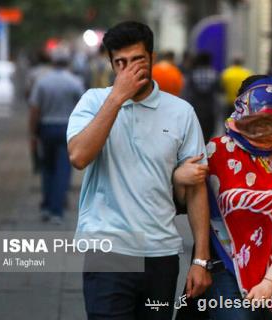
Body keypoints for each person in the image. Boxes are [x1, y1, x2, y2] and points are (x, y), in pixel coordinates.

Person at [66, 21, 212, 320]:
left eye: (137, 61)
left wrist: (201, 260)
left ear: (152, 59)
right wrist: (117, 98)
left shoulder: (181, 112)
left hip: (161, 254)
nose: (130, 69)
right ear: (111, 64)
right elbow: (79, 157)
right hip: (107, 253)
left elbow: (196, 187)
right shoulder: (93, 102)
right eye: (121, 63)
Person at [174, 75, 272, 320]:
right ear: (241, 114)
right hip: (225, 271)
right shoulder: (216, 152)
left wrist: (269, 282)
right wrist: (180, 179)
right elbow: (185, 203)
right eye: (257, 120)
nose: (265, 128)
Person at [29, 47, 85, 224]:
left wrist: (32, 132)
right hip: (68, 129)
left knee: (47, 168)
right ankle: (57, 210)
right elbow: (83, 107)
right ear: (68, 62)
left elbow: (34, 109)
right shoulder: (75, 82)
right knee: (63, 169)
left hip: (46, 127)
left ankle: (46, 206)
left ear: (53, 61)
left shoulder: (42, 82)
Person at [184, 52, 220, 142]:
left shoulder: (193, 74)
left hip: (197, 107)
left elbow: (188, 92)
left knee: (198, 131)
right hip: (210, 107)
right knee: (209, 131)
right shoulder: (214, 74)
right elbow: (218, 90)